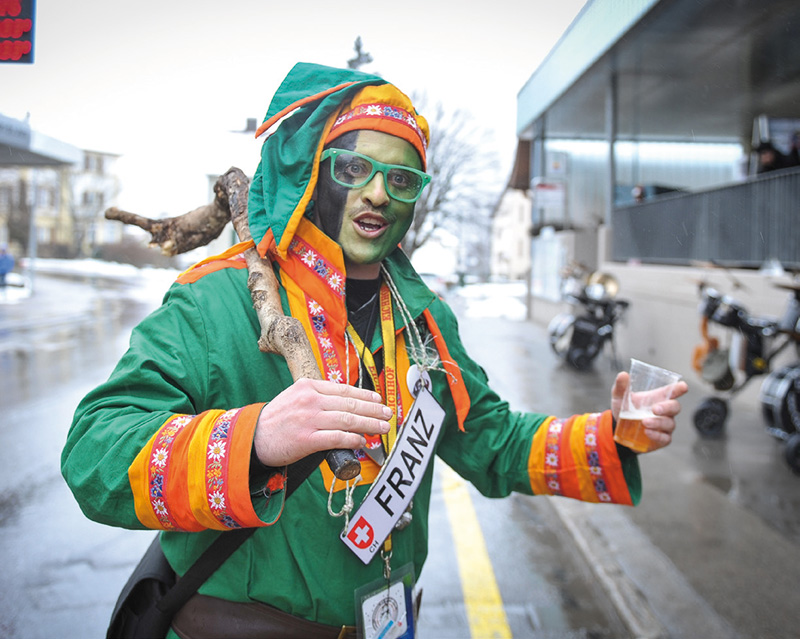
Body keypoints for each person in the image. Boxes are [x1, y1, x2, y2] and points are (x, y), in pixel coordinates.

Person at [61, 63, 688, 639]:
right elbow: (95, 451)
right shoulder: (214, 300)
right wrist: (252, 441)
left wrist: (611, 436)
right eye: (354, 169)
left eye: (401, 178)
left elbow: (491, 442)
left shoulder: (423, 318)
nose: (379, 194)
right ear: (314, 170)